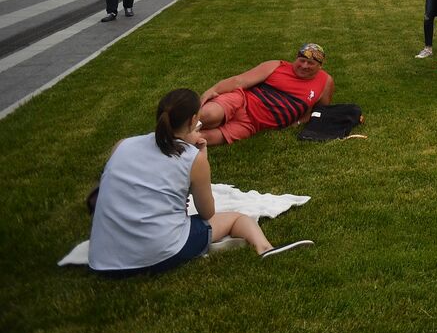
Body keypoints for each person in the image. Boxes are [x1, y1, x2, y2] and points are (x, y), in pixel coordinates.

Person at [88, 89, 311, 276]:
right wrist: (200, 156)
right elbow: (207, 213)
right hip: (157, 254)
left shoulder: (123, 144)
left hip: (102, 261)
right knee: (236, 218)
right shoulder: (193, 158)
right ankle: (265, 248)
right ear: (194, 121)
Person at [195, 44, 334, 146]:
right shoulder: (276, 66)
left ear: (320, 66)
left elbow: (320, 111)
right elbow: (239, 81)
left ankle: (176, 137)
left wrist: (298, 122)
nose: (304, 66)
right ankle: (179, 123)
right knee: (209, 115)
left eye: (310, 63)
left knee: (202, 139)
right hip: (242, 101)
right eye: (301, 60)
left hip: (251, 125)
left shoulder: (325, 82)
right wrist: (212, 90)